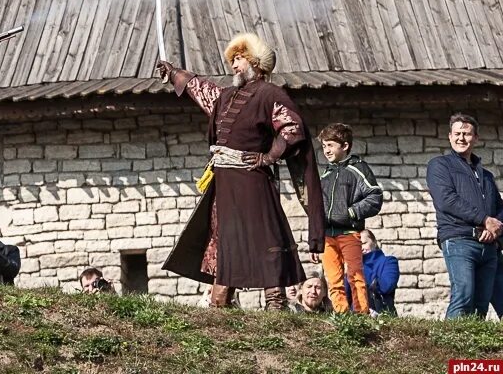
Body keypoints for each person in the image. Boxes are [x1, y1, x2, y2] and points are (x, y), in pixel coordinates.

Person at [156, 33, 324, 310]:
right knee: (224, 236)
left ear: (255, 62)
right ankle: (220, 301)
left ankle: (275, 302)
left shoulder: (270, 94)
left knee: (265, 236)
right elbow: (202, 90)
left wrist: (269, 156)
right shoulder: (228, 96)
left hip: (252, 181)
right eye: (232, 60)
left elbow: (293, 129)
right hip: (224, 182)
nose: (233, 66)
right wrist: (174, 73)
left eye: (238, 59)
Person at [426, 113, 503, 318]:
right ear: (450, 137)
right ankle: (447, 348)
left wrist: (494, 228)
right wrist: (484, 220)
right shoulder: (440, 165)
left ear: (475, 138)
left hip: (488, 245)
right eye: (457, 133)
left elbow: (499, 207)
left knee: (480, 306)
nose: (462, 138)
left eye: (467, 134)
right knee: (463, 296)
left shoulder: (485, 175)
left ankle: (474, 349)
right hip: (459, 239)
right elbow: (447, 200)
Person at [316, 123, 383, 313]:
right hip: (327, 236)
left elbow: (375, 196)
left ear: (344, 146)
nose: (326, 150)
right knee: (333, 279)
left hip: (349, 232)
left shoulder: (358, 169)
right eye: (324, 146)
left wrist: (351, 213)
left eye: (330, 145)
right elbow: (317, 208)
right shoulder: (325, 174)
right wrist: (315, 238)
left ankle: (361, 314)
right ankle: (341, 316)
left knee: (355, 275)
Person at [357, 229, 398, 316]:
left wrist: (361, 265)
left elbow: (386, 286)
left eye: (364, 243)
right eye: (358, 245)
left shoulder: (389, 261)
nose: (361, 248)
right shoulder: (353, 266)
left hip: (383, 315)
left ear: (374, 242)